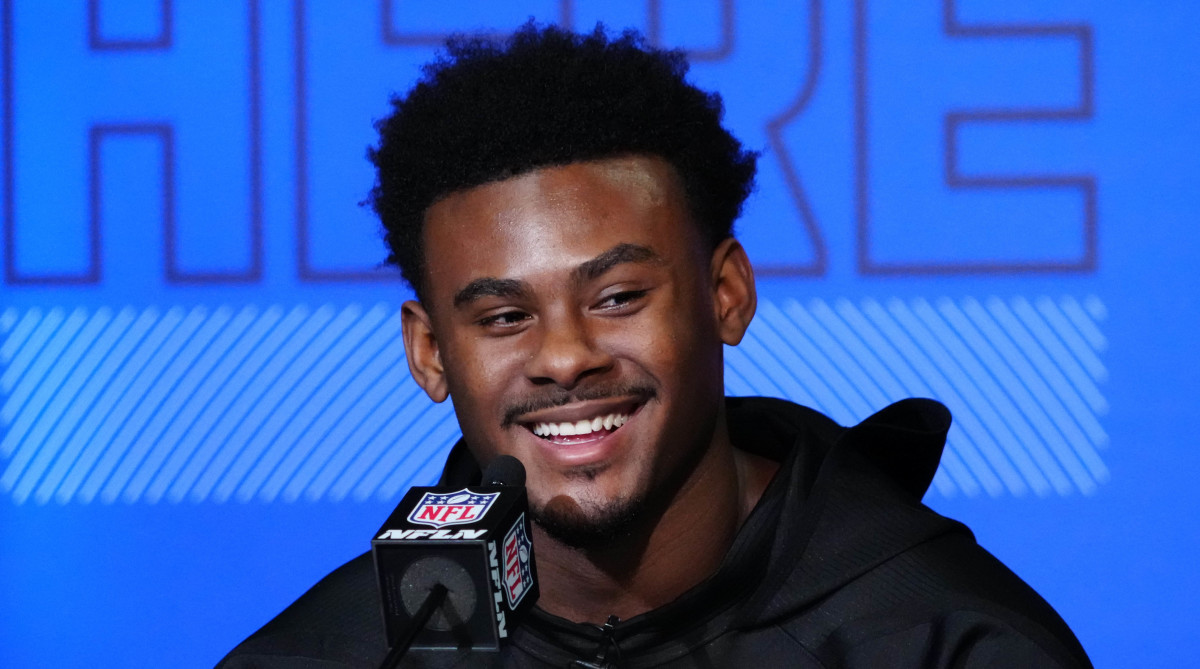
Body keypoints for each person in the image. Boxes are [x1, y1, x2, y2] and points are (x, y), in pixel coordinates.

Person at [219, 23, 1092, 668]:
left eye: (618, 297)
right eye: (505, 317)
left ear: (726, 294)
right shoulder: (326, 656)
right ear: (429, 352)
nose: (566, 356)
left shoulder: (951, 644)